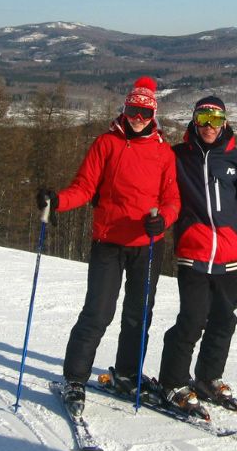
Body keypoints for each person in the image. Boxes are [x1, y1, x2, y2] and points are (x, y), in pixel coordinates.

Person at [37, 76, 179, 415]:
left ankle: (128, 374)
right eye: (133, 110)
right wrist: (57, 201)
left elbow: (172, 199)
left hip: (147, 244)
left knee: (138, 314)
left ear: (153, 113)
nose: (138, 117)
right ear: (125, 109)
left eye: (144, 112)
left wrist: (164, 221)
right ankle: (75, 378)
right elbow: (84, 187)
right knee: (98, 312)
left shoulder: (163, 152)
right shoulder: (106, 144)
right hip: (108, 242)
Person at [158, 95, 237, 416]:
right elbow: (153, 184)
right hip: (193, 254)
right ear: (194, 121)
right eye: (203, 119)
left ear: (225, 123)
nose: (210, 127)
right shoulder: (177, 157)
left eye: (216, 120)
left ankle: (208, 376)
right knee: (193, 319)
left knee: (224, 320)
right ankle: (173, 381)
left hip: (230, 255)